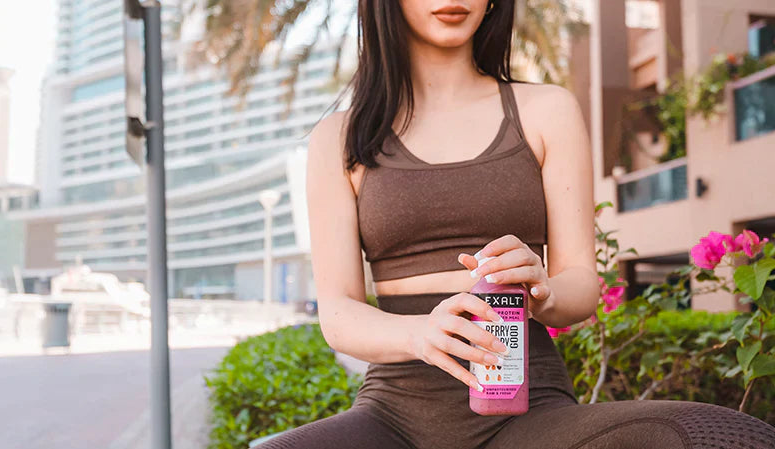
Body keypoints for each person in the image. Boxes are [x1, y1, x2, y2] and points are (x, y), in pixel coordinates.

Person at [258, 1, 775, 448]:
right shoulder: (340, 137)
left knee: (723, 438)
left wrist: (543, 287)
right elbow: (339, 314)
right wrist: (423, 335)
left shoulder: (546, 110)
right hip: (395, 416)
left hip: (532, 413)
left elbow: (580, 288)